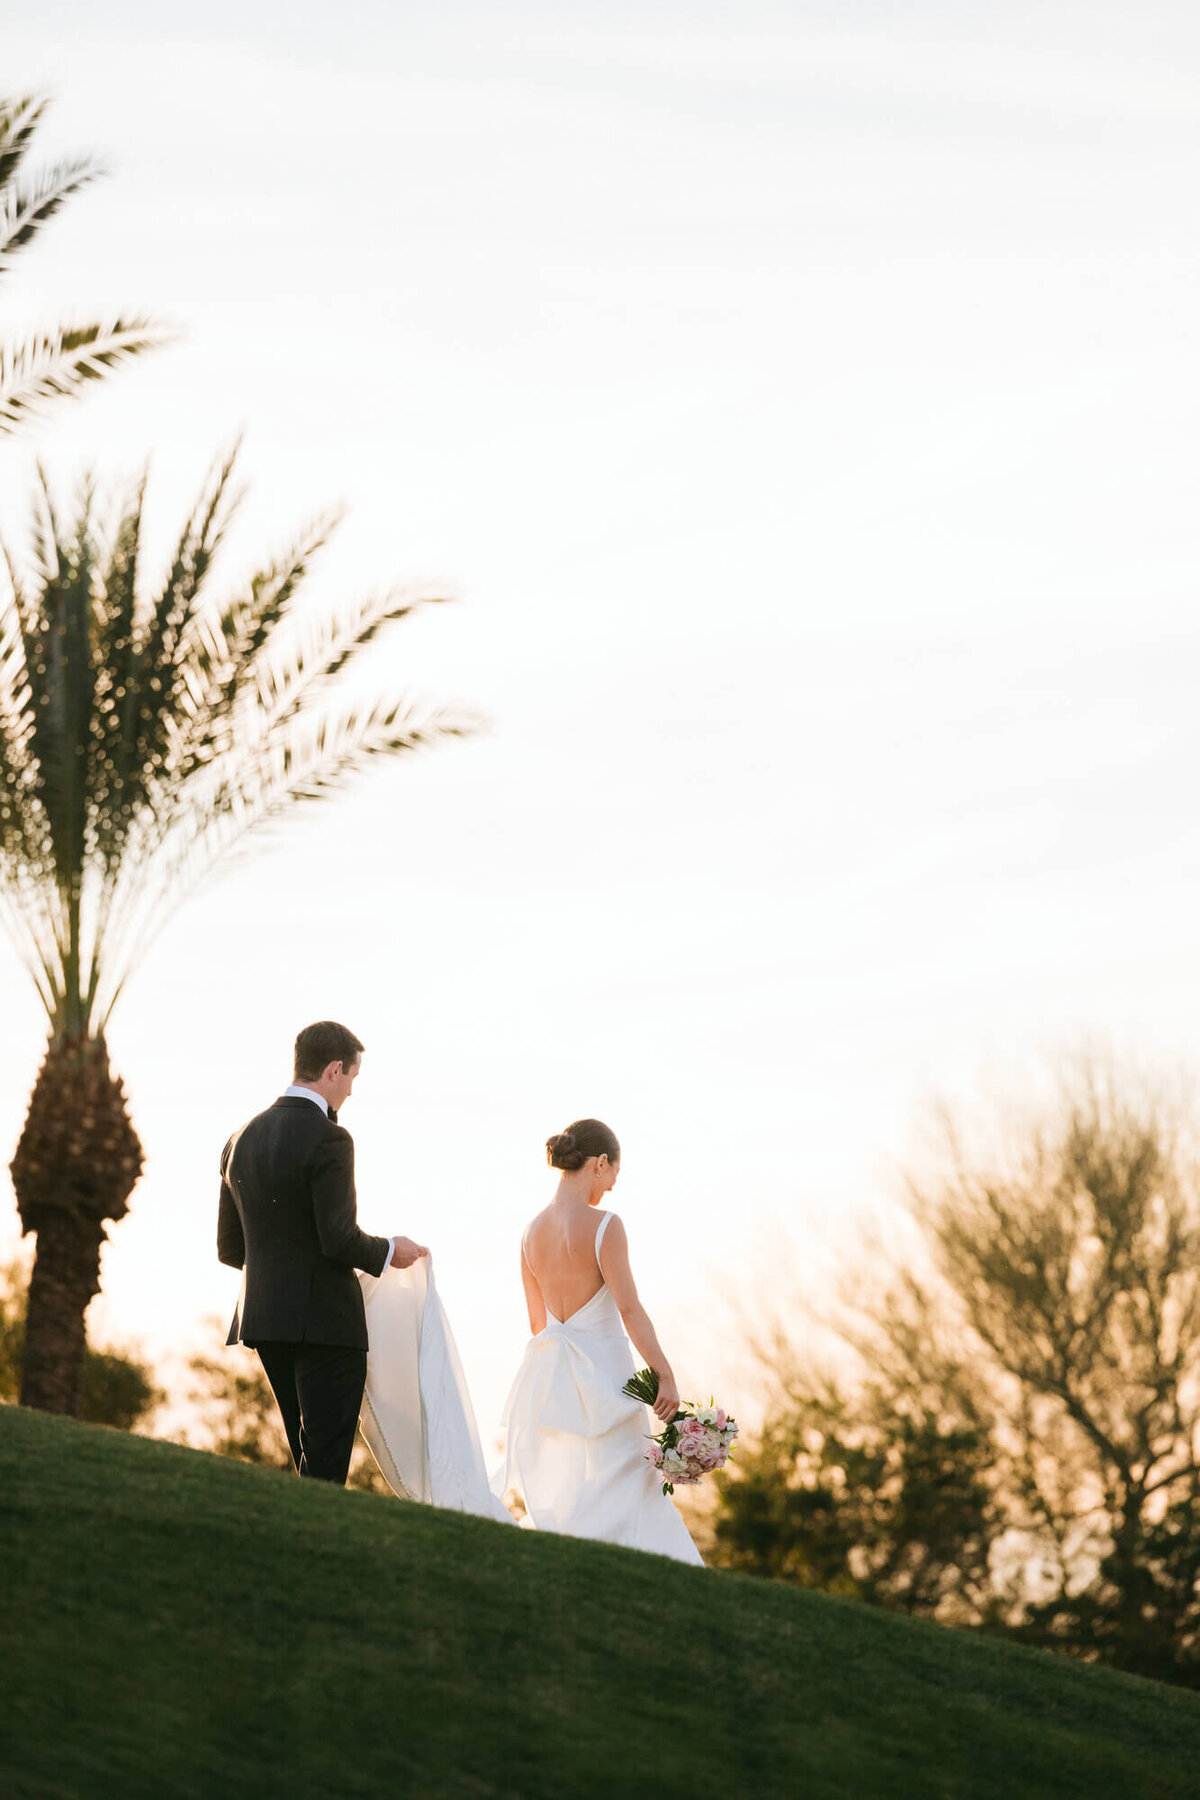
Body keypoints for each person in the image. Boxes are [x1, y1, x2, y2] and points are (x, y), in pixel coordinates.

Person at [217, 1020, 426, 1485]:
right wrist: (393, 1249)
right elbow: (339, 1239)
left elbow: (231, 1249)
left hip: (265, 1322)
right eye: (352, 1077)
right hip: (326, 1325)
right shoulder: (331, 1137)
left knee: (306, 1460)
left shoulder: (239, 1139)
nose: (350, 1091)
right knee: (327, 1464)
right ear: (334, 1070)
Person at [492, 1118, 703, 1564]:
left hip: (554, 1383)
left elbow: (538, 1324)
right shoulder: (606, 1225)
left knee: (573, 1489)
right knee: (630, 1486)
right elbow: (629, 1309)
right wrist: (664, 1373)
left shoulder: (530, 1233)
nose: (608, 1190)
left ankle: (577, 1567)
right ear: (600, 1163)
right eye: (612, 1178)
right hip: (610, 1380)